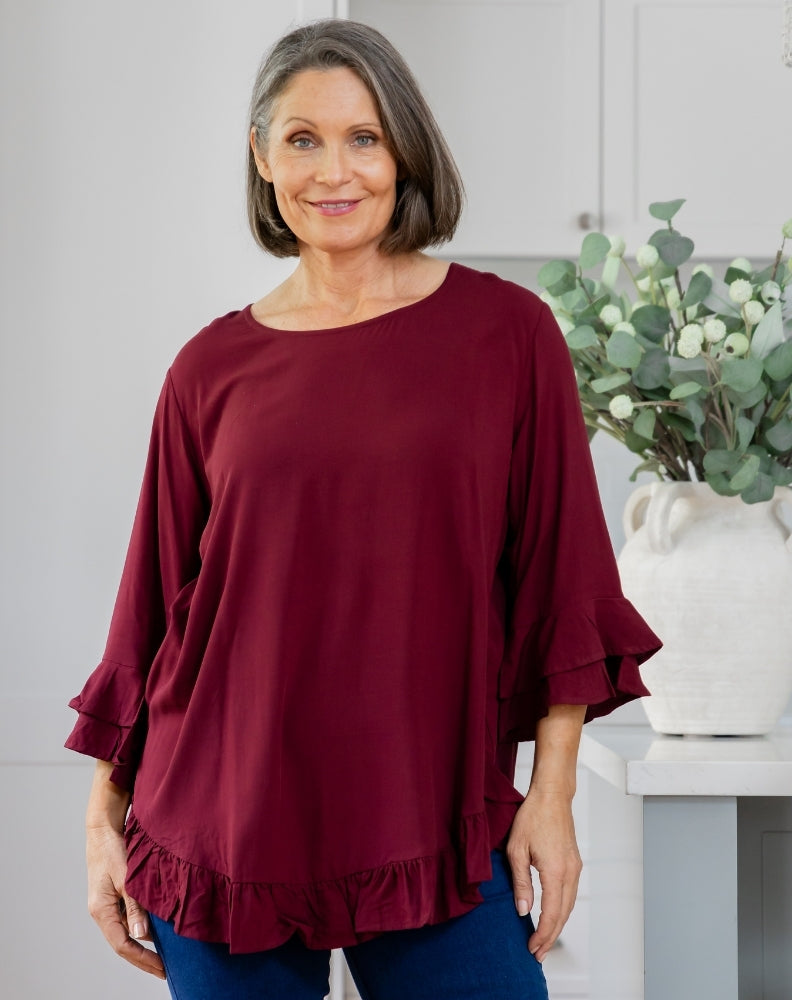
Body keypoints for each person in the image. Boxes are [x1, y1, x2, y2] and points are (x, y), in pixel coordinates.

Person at [65, 18, 660, 1000]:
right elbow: (152, 617)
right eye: (302, 138)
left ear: (404, 152)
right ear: (261, 158)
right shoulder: (209, 369)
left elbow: (565, 580)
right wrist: (101, 822)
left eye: (364, 138)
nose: (333, 171)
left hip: (435, 823)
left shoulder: (508, 336)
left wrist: (550, 797)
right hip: (224, 829)